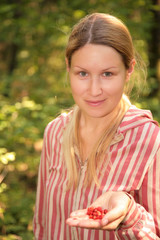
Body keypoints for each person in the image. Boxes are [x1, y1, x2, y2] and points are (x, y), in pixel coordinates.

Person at [33, 13, 160, 240]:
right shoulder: (54, 132)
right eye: (82, 73)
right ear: (68, 67)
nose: (94, 90)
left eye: (107, 74)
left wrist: (129, 214)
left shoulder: (150, 140)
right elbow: (42, 226)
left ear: (129, 70)